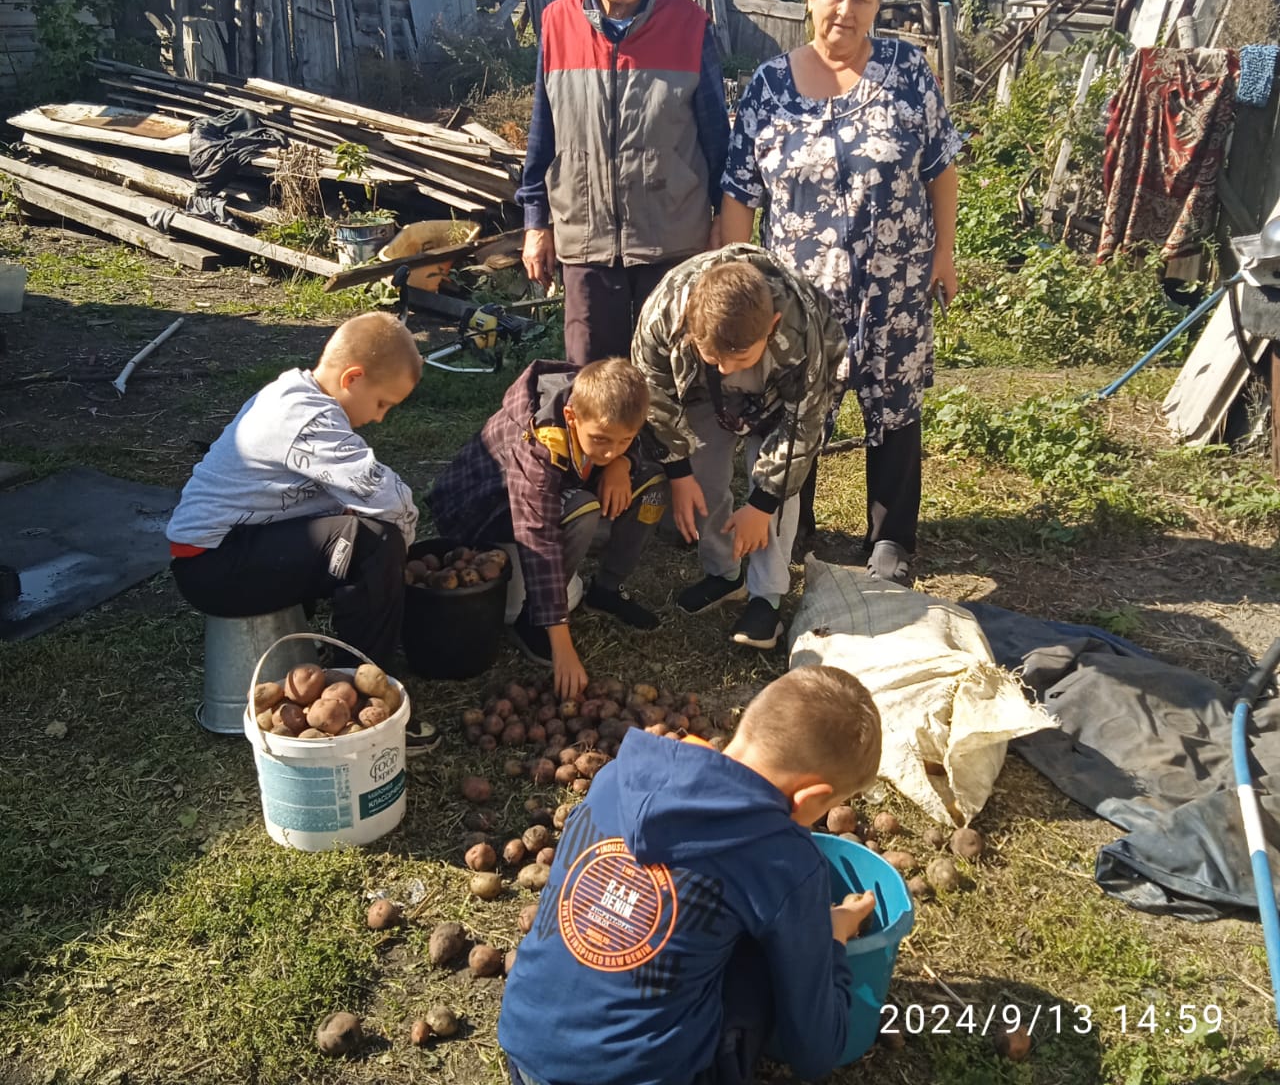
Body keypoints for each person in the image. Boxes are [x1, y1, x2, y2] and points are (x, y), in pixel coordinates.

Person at [498, 664, 883, 1085]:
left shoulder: (615, 776)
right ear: (814, 797)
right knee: (765, 960)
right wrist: (831, 939)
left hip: (526, 1054)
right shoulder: (785, 860)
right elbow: (816, 1052)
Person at [719, 0, 963, 585]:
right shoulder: (770, 85)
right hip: (798, 297)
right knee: (799, 411)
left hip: (896, 289)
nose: (846, 10)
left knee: (895, 409)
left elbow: (941, 168)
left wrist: (945, 252)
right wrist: (737, 284)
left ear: (877, 6)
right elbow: (739, 193)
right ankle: (799, 530)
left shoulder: (908, 73)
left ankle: (890, 541)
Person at [167, 313, 434, 743]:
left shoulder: (295, 394)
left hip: (223, 550)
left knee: (352, 529)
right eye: (383, 403)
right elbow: (383, 494)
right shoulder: (309, 420)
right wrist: (405, 550)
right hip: (214, 565)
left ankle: (343, 666)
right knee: (376, 542)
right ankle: (369, 692)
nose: (381, 418)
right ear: (353, 377)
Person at [517, 0, 730, 366]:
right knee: (591, 378)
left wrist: (724, 220)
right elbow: (541, 132)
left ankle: (666, 445)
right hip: (586, 239)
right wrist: (535, 223)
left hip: (672, 239)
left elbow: (718, 137)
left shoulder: (690, 25)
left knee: (672, 372)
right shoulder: (557, 24)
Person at [631, 244, 845, 650]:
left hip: (782, 393)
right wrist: (678, 472)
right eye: (715, 356)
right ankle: (723, 574)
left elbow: (801, 427)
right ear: (690, 327)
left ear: (773, 324)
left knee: (777, 496)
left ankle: (767, 597)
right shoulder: (662, 314)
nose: (727, 367)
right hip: (698, 389)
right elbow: (654, 394)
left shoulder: (801, 327)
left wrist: (762, 504)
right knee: (704, 477)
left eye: (739, 357)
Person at [427, 358, 665, 700]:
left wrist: (622, 463)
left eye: (624, 439)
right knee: (581, 508)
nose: (611, 449)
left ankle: (606, 590)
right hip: (483, 519)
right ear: (571, 417)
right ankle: (531, 622)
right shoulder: (536, 442)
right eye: (601, 440)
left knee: (652, 484)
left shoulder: (605, 412)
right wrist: (562, 641)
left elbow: (640, 440)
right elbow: (538, 538)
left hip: (553, 501)